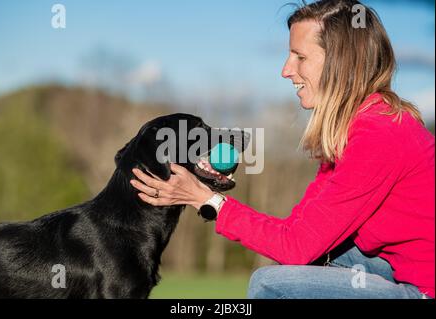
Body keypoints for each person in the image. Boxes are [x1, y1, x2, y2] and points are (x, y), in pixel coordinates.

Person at [130, 0, 435, 299]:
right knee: (307, 262)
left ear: (341, 63)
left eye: (299, 57)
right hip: (401, 272)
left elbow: (296, 245)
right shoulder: (354, 132)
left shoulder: (378, 137)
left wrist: (204, 198)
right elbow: (298, 235)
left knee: (270, 284)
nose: (286, 70)